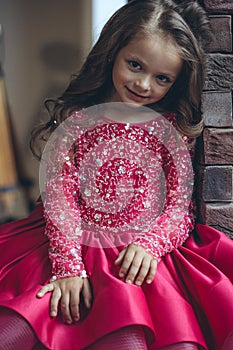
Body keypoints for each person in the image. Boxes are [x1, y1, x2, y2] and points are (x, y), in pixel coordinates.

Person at [0, 0, 232, 349]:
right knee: (14, 329)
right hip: (68, 244)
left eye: (162, 78)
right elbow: (60, 200)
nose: (143, 84)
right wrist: (68, 269)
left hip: (140, 254)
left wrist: (150, 246)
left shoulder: (173, 131)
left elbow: (179, 207)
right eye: (135, 65)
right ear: (113, 51)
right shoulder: (76, 121)